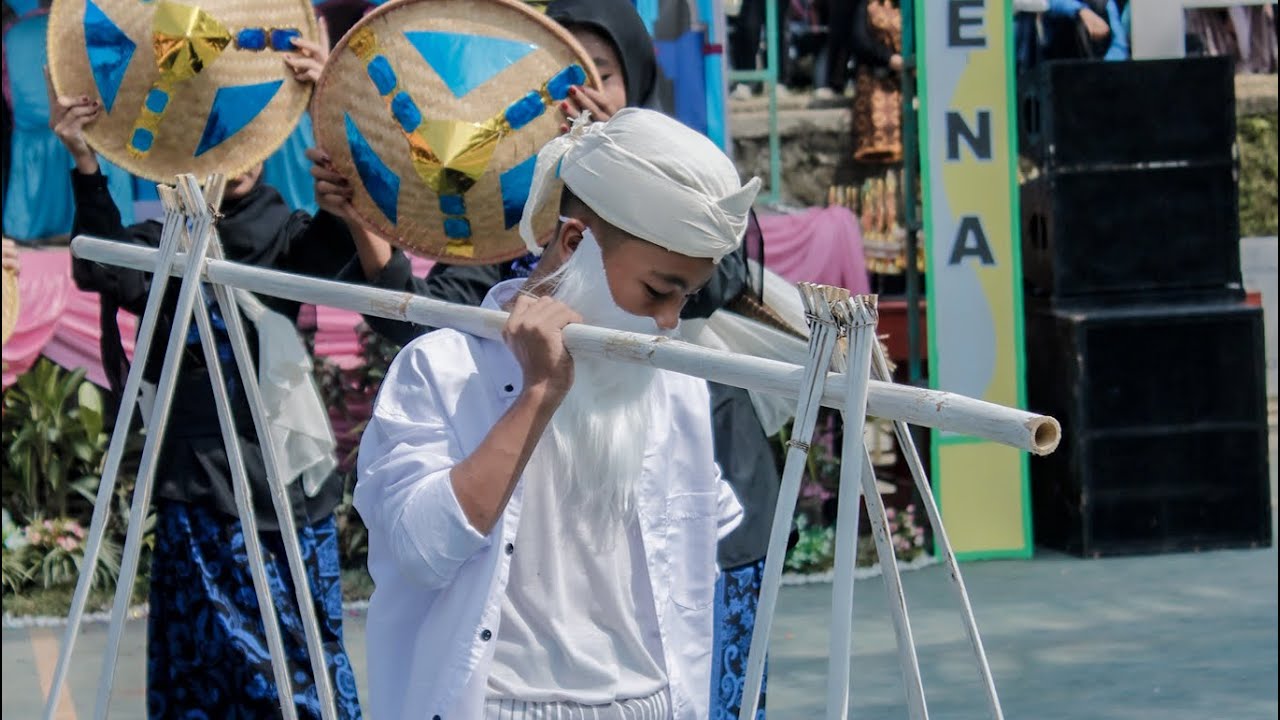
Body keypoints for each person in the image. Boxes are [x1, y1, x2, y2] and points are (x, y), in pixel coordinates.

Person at [312, 3, 779, 715]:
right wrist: (535, 397)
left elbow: (693, 561)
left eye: (682, 296)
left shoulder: (671, 382)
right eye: (659, 290)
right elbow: (420, 552)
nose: (667, 320)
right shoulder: (442, 370)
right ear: (571, 244)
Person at [54, 31, 364, 719]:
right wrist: (83, 161)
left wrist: (324, 113)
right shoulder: (165, 237)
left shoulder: (287, 235)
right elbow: (97, 264)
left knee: (299, 667)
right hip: (199, 488)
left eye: (247, 139)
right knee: (207, 670)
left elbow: (341, 251)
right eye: (213, 139)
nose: (235, 159)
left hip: (284, 491)